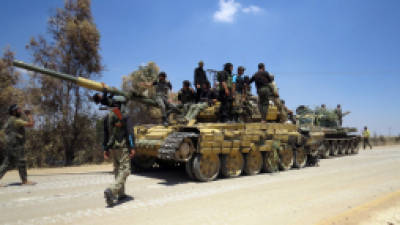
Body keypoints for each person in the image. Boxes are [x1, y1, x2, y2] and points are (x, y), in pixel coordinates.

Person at [103, 107, 136, 207]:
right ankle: (112, 190)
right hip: (122, 147)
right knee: (125, 170)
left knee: (118, 169)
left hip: (113, 148)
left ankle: (121, 194)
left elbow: (105, 134)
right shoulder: (125, 116)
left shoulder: (107, 117)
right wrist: (132, 147)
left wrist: (105, 148)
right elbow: (130, 133)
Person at [0, 104, 36, 187]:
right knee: (21, 161)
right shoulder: (16, 120)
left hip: (10, 143)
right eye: (18, 109)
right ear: (14, 111)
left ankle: (24, 180)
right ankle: (24, 181)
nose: (20, 110)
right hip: (16, 144)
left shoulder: (10, 120)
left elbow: (3, 131)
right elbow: (31, 124)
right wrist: (29, 115)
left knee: (7, 162)